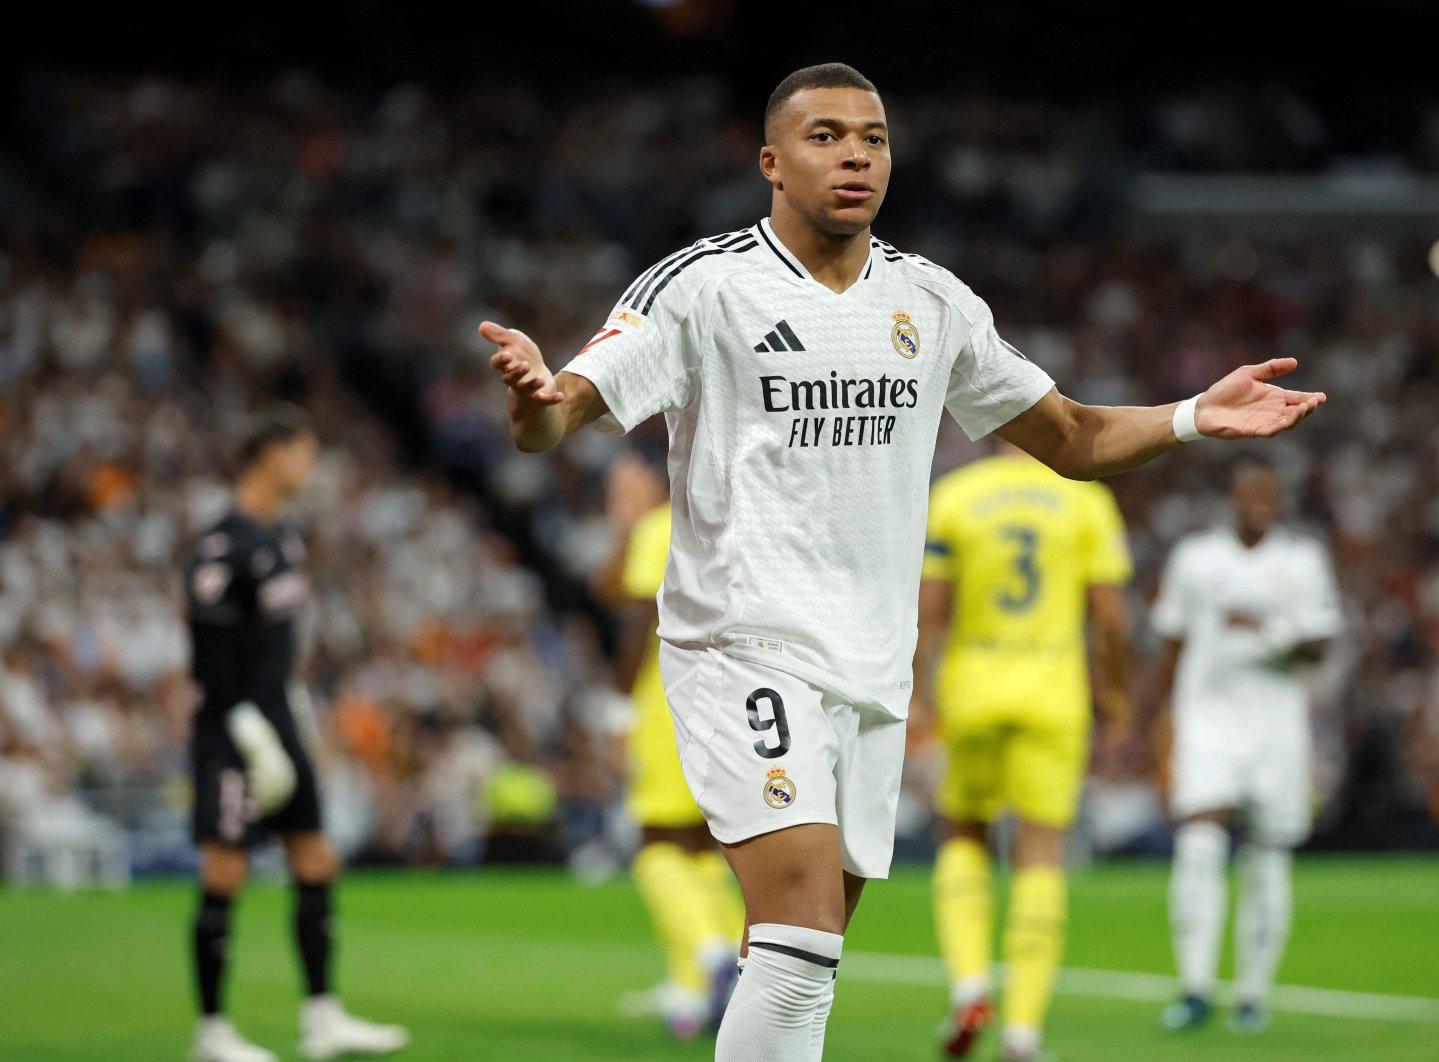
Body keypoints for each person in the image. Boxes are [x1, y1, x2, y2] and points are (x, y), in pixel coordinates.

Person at [478, 62, 1324, 1061]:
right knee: (795, 938)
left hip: (872, 671)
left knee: (802, 951)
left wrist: (1189, 417)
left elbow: (1073, 436)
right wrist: (537, 403)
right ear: (771, 162)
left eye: (872, 138)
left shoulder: (931, 303)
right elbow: (567, 407)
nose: (854, 155)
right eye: (826, 135)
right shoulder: (703, 287)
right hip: (744, 646)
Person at [185, 406, 408, 1062]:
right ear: (270, 455)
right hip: (232, 728)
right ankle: (212, 1032)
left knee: (316, 859)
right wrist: (249, 731)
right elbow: (209, 660)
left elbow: (278, 650)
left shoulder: (283, 539)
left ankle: (321, 1017)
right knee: (225, 869)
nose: (309, 467)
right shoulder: (222, 546)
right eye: (303, 453)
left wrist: (293, 716)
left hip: (281, 717)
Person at [914, 442, 1134, 1062]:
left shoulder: (957, 496)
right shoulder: (1085, 500)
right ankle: (1022, 1034)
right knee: (1040, 851)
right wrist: (1116, 696)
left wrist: (920, 698)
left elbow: (930, 613)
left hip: (972, 693)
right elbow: (1111, 619)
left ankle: (970, 985)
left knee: (963, 834)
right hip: (1053, 696)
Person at [1149, 455, 1342, 1034]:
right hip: (1206, 719)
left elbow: (1321, 646)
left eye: (1269, 494)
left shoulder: (1302, 561)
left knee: (1267, 852)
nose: (1259, 502)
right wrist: (1155, 718)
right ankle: (1196, 988)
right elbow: (1173, 644)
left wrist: (1268, 630)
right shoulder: (1195, 559)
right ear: (1231, 497)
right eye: (1250, 492)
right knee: (1199, 841)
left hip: (1276, 728)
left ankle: (1253, 994)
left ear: (1279, 500)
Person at [592, 454, 744, 1038]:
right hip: (733, 700)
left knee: (656, 843)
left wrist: (619, 710)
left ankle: (711, 958)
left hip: (671, 701)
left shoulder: (660, 529)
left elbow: (631, 617)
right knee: (703, 848)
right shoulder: (726, 526)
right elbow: (607, 584)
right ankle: (705, 982)